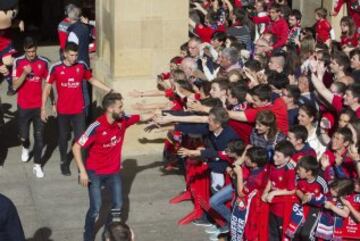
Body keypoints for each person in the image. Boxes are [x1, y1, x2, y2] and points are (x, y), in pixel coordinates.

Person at [73, 92, 150, 241]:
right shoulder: (95, 127)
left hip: (113, 172)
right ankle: (87, 236)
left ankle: (108, 235)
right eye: (120, 107)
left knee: (118, 206)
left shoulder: (123, 120)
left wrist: (156, 115)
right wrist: (82, 172)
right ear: (110, 109)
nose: (123, 110)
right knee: (95, 209)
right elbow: (76, 147)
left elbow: (140, 117)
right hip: (94, 172)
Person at [41, 42, 112, 176]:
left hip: (78, 110)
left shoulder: (81, 65)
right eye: (72, 55)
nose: (75, 58)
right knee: (63, 138)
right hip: (63, 111)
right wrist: (43, 108)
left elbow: (91, 80)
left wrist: (108, 89)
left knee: (81, 138)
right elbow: (47, 87)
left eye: (76, 55)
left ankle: (82, 166)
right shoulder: (55, 68)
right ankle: (63, 162)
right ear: (65, 54)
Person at [12, 37, 49, 178]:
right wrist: (24, 73)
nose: (32, 54)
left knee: (39, 138)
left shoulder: (43, 62)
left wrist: (51, 102)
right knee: (24, 136)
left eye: (33, 51)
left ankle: (37, 165)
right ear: (24, 50)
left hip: (38, 107)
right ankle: (25, 147)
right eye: (29, 52)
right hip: (24, 106)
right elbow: (15, 86)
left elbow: (48, 83)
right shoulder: (18, 62)